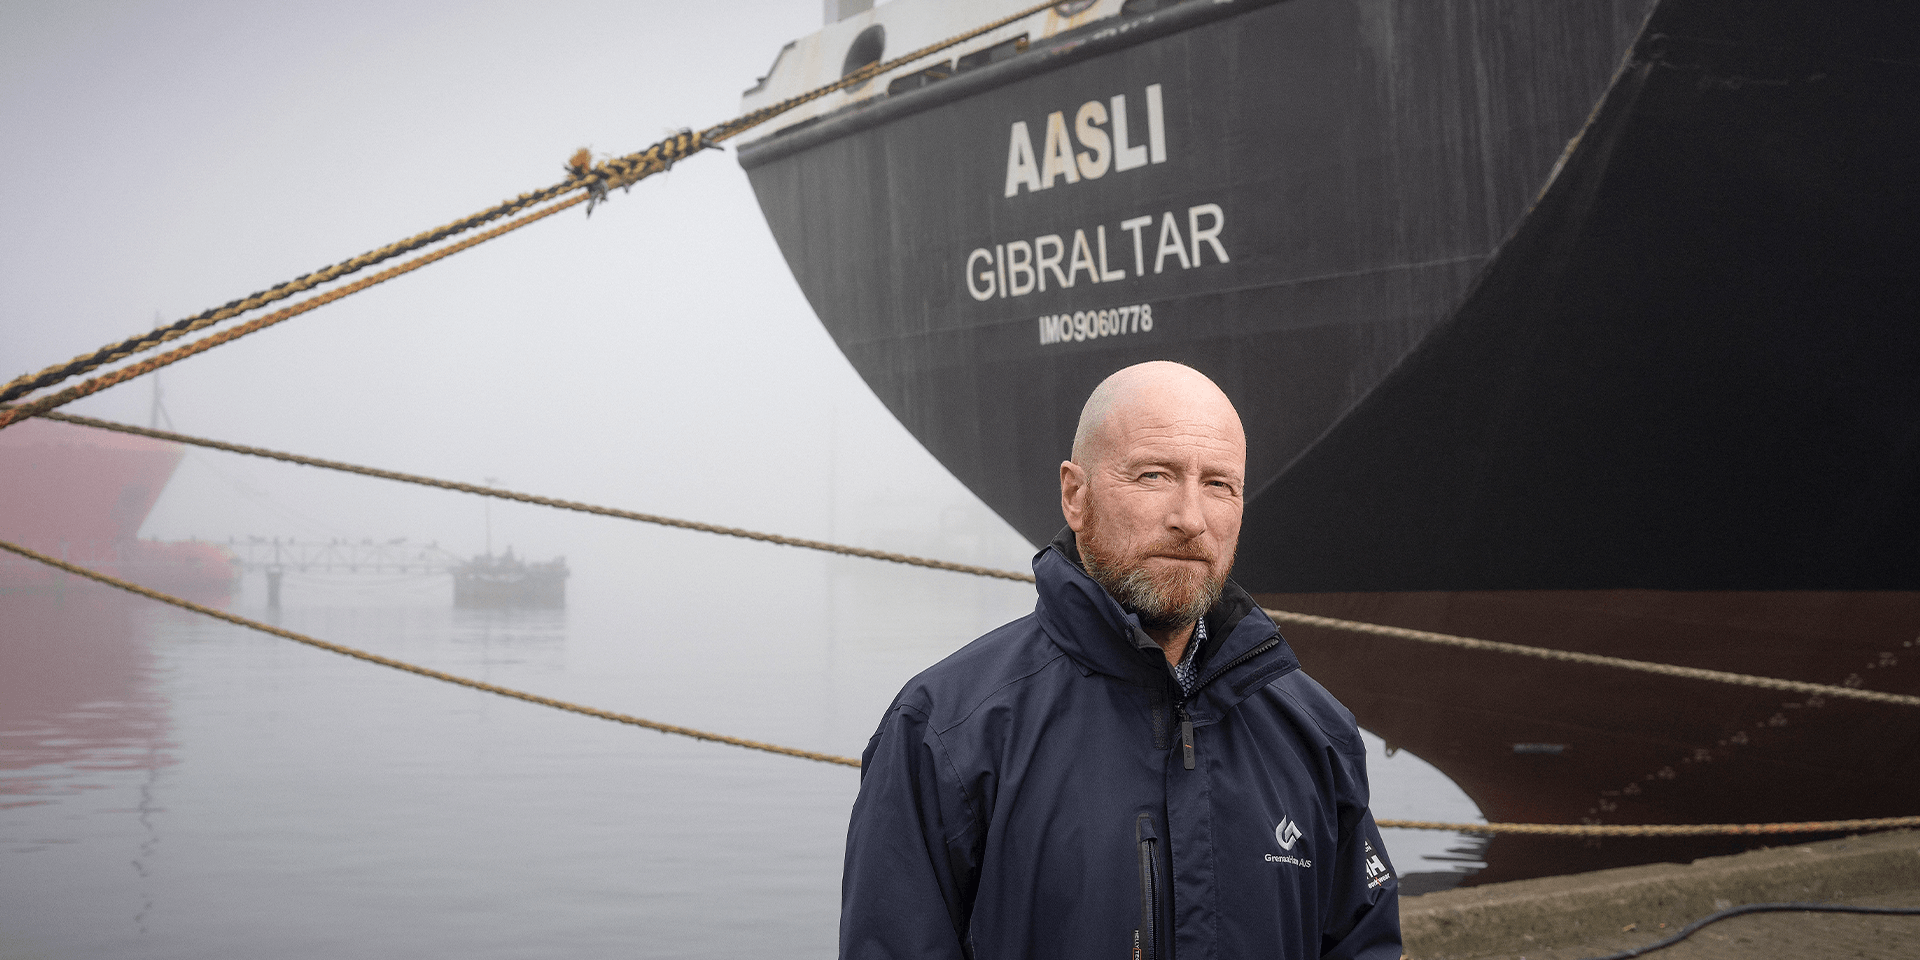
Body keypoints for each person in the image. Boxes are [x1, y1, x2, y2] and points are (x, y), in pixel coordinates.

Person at [840, 361, 1402, 960]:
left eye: (1219, 484)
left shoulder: (1316, 732)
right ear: (1075, 497)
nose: (1190, 517)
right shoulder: (947, 731)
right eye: (1154, 475)